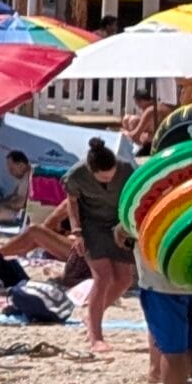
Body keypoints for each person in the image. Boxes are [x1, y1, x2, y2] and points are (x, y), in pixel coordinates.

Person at [63, 139, 136, 353]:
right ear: (91, 171)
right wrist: (76, 232)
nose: (109, 180)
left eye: (111, 176)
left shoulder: (126, 169)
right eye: (103, 178)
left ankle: (92, 316)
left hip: (119, 225)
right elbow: (71, 203)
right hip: (91, 226)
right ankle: (96, 336)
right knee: (102, 277)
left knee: (124, 279)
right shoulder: (76, 175)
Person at [120, 89, 164, 155]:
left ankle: (135, 147)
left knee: (132, 121)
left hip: (154, 138)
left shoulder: (151, 111)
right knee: (127, 119)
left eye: (137, 103)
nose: (138, 106)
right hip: (150, 135)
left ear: (142, 101)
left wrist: (126, 133)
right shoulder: (150, 108)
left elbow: (136, 134)